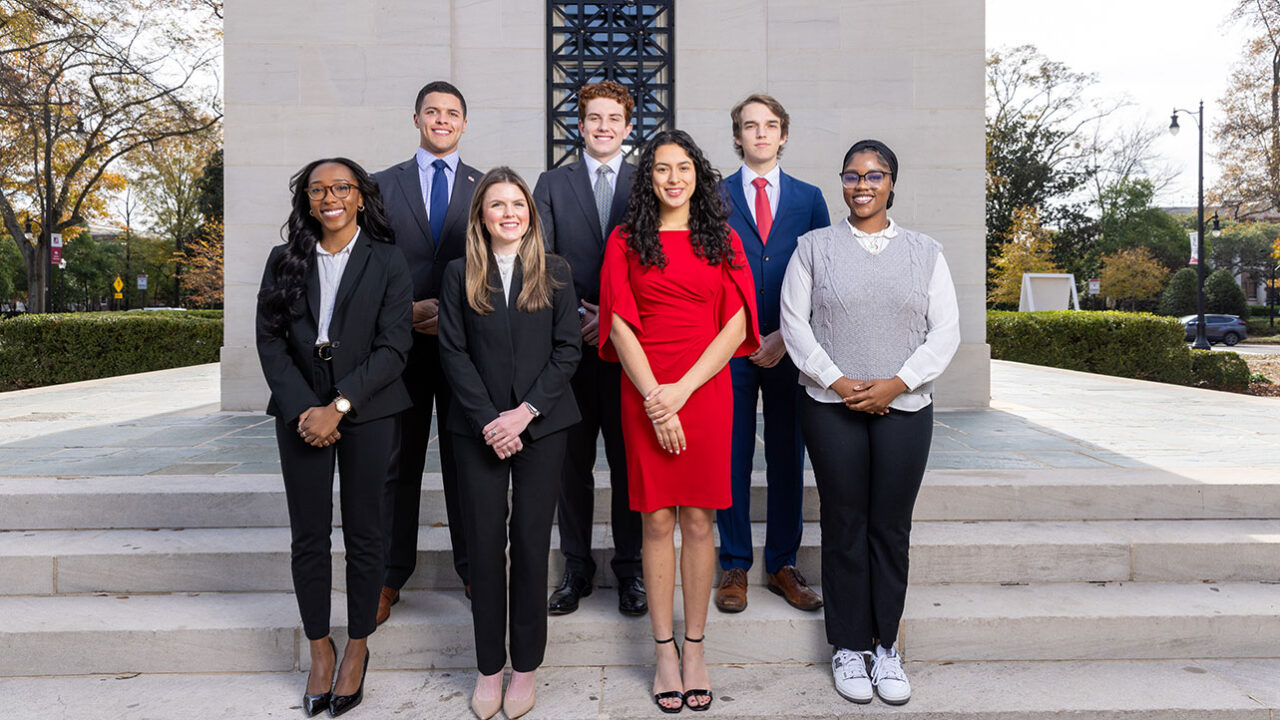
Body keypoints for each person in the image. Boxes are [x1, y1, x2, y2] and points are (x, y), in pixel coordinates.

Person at [779, 139, 960, 707]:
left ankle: (886, 647)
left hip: (905, 408)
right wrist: (838, 381)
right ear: (842, 182)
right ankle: (849, 646)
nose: (862, 184)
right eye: (853, 175)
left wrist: (895, 384)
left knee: (890, 527)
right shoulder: (813, 248)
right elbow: (795, 323)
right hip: (831, 407)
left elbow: (945, 332)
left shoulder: (925, 252)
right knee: (845, 523)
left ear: (891, 183)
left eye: (875, 175)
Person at [599, 129, 759, 713]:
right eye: (662, 169)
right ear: (649, 179)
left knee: (699, 519)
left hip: (706, 388)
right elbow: (618, 321)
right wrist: (654, 398)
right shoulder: (625, 239)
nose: (673, 178)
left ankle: (695, 647)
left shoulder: (721, 238)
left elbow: (738, 324)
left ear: (699, 175)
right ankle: (663, 649)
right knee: (656, 520)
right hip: (644, 386)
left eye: (683, 168)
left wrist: (681, 392)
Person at [256, 157, 413, 717]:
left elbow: (395, 346)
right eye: (318, 189)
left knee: (368, 534)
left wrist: (340, 405)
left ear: (360, 197)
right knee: (310, 536)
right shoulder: (284, 261)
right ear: (307, 201)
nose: (330, 197)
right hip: (301, 413)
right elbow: (270, 344)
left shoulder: (388, 260)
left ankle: (356, 648)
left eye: (341, 187)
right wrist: (308, 410)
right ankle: (319, 648)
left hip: (369, 407)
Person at [438, 167, 582, 720]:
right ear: (481, 215)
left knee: (527, 543)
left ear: (530, 211)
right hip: (476, 430)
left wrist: (522, 414)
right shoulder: (459, 274)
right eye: (496, 204)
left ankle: (524, 667)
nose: (508, 213)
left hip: (542, 426)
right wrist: (489, 421)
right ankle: (487, 667)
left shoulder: (556, 272)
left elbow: (568, 350)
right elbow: (451, 352)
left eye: (516, 203)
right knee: (483, 547)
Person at [533, 80, 646, 618]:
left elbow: (653, 257)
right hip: (571, 349)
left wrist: (614, 316)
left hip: (630, 351)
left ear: (628, 128)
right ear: (580, 126)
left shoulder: (647, 181)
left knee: (629, 467)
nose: (604, 127)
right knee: (569, 466)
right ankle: (576, 568)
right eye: (594, 118)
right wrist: (581, 315)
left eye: (614, 119)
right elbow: (542, 258)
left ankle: (632, 571)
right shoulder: (552, 183)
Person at [715, 93, 830, 616]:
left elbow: (826, 278)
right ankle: (734, 563)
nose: (760, 133)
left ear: (784, 134)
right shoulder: (712, 198)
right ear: (737, 136)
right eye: (749, 126)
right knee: (731, 457)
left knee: (787, 456)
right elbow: (708, 276)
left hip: (792, 348)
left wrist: (786, 333)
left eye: (771, 125)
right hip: (730, 349)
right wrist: (740, 334)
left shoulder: (810, 198)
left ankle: (782, 562)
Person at [372, 80, 481, 621]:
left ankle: (474, 571)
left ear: (465, 123)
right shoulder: (378, 186)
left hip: (466, 348)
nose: (442, 120)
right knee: (397, 462)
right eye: (433, 111)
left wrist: (456, 312)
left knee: (468, 463)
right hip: (401, 347)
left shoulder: (485, 188)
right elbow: (364, 266)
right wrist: (404, 312)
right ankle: (389, 577)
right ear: (416, 117)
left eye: (452, 113)